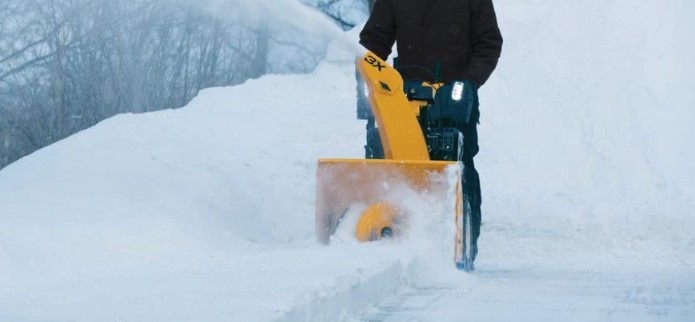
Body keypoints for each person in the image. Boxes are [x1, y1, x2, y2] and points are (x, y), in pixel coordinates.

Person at [359, 0, 503, 267]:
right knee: (384, 154)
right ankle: (382, 228)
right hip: (401, 98)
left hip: (454, 97)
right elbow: (374, 41)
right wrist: (370, 77)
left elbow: (488, 44)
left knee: (461, 164)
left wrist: (467, 82)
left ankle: (463, 243)